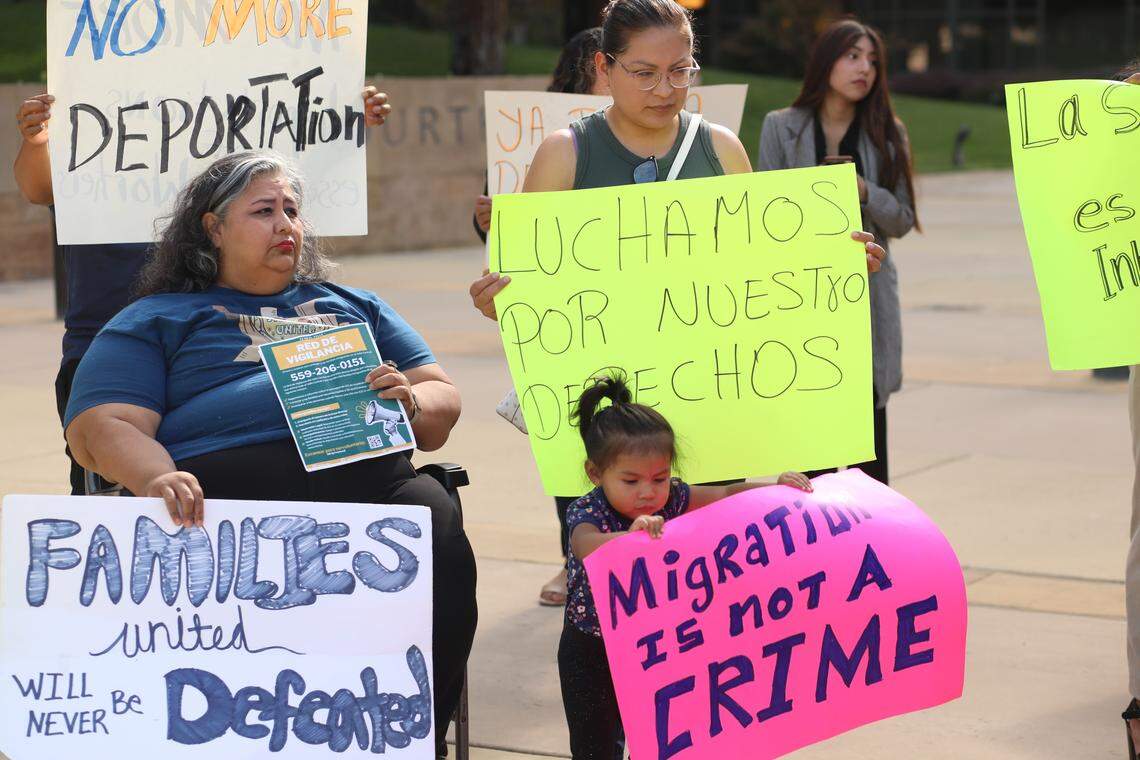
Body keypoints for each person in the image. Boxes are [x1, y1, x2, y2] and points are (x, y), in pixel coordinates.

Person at [62, 150, 474, 759]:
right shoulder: (156, 318)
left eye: (292, 210)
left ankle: (411, 737)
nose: (286, 224)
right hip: (221, 505)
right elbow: (100, 426)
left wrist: (410, 401)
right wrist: (154, 475)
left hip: (368, 485)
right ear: (213, 227)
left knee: (434, 522)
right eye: (263, 210)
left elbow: (443, 397)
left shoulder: (351, 305)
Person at [13, 85, 393, 495]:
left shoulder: (239, 144)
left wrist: (342, 121)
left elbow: (285, 178)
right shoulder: (103, 136)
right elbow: (41, 188)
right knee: (115, 473)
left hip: (223, 326)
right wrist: (37, 141)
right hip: (112, 341)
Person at [559, 375, 812, 759]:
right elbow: (586, 546)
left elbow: (725, 494)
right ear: (596, 473)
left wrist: (776, 488)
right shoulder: (588, 510)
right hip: (592, 651)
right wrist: (631, 538)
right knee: (595, 746)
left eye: (659, 478)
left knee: (665, 739)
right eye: (631, 480)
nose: (648, 491)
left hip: (658, 647)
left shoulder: (672, 498)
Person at [474, 26, 609, 607]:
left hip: (645, 305)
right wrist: (490, 222)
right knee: (573, 446)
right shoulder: (546, 141)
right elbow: (503, 232)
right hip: (569, 314)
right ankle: (573, 559)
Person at [757, 18, 919, 485]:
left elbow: (904, 220)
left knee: (869, 454)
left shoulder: (888, 132)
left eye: (872, 60)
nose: (863, 68)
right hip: (801, 300)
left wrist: (866, 191)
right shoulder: (779, 127)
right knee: (811, 460)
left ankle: (871, 552)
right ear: (826, 62)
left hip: (865, 300)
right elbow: (766, 216)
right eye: (852, 56)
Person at [472, 26, 609, 241]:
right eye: (601, 69)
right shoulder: (528, 131)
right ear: (578, 76)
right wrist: (486, 218)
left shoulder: (639, 132)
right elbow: (499, 225)